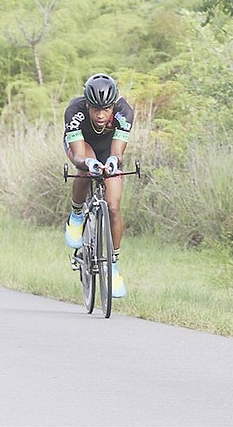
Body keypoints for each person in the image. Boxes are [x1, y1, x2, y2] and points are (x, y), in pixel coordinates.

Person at [63, 73, 134, 298]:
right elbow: (77, 157)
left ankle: (112, 266)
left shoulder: (125, 112)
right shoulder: (74, 111)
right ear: (87, 105)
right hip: (82, 146)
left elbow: (117, 152)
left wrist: (113, 161)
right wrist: (90, 163)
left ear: (113, 105)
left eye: (105, 109)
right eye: (95, 109)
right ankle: (76, 215)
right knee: (84, 169)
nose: (101, 115)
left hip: (108, 147)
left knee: (113, 206)